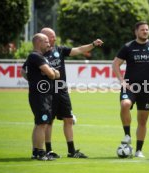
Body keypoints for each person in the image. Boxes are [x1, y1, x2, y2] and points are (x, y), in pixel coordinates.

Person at [22, 28, 103, 159]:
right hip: (47, 92)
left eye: (52, 38)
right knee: (47, 122)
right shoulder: (38, 55)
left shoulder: (58, 50)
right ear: (43, 38)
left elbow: (78, 50)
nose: (53, 39)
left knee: (68, 119)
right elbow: (24, 71)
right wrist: (35, 81)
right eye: (50, 37)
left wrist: (92, 44)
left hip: (61, 90)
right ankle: (47, 150)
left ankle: (72, 151)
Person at [112, 21, 149, 158]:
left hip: (148, 89)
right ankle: (127, 135)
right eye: (142, 30)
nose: (145, 32)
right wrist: (122, 81)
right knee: (125, 104)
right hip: (130, 86)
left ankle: (138, 150)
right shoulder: (128, 47)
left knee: (142, 121)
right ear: (136, 32)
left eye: (147, 30)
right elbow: (115, 63)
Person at [23, 33, 60, 161]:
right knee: (42, 123)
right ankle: (40, 152)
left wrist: (33, 79)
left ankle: (36, 151)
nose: (49, 44)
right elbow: (52, 74)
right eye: (46, 41)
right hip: (40, 96)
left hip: (40, 95)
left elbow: (23, 71)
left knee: (39, 123)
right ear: (38, 42)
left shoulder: (36, 57)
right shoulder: (36, 56)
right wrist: (52, 72)